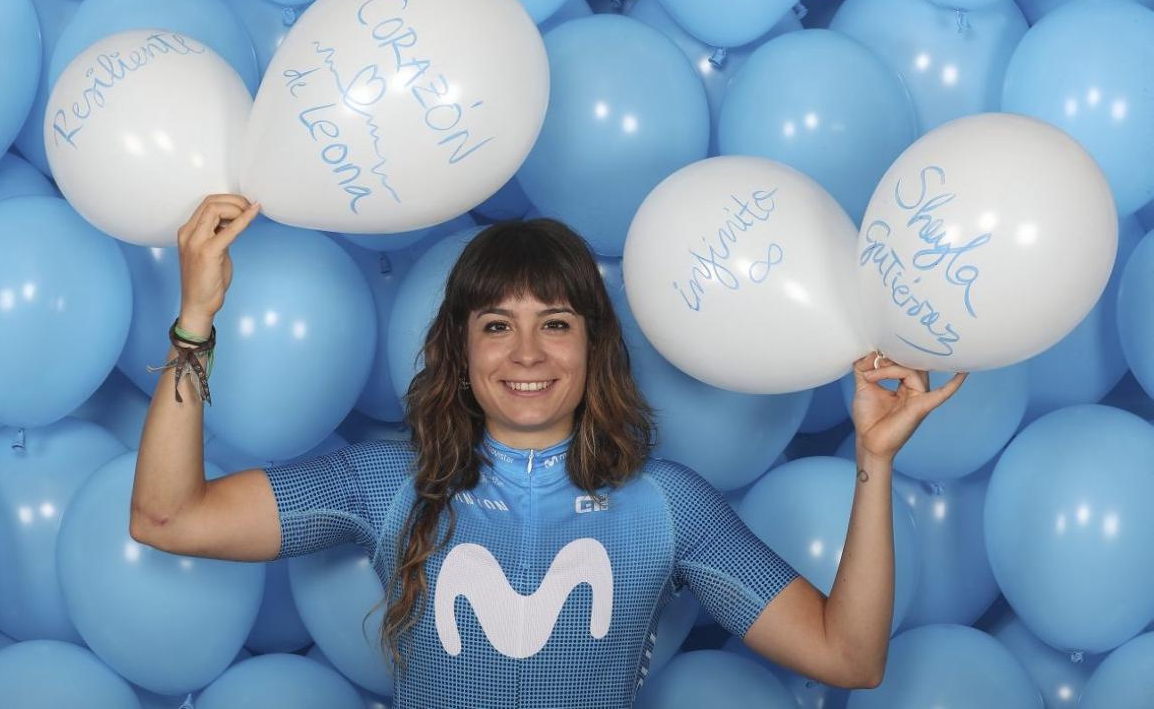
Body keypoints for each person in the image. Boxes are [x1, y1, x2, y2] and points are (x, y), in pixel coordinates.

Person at [129, 194, 967, 709]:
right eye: (497, 326)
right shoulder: (389, 482)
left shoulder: (666, 505)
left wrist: (875, 460)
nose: (526, 354)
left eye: (554, 324)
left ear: (593, 347)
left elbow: (848, 657)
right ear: (460, 351)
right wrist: (196, 317)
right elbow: (168, 516)